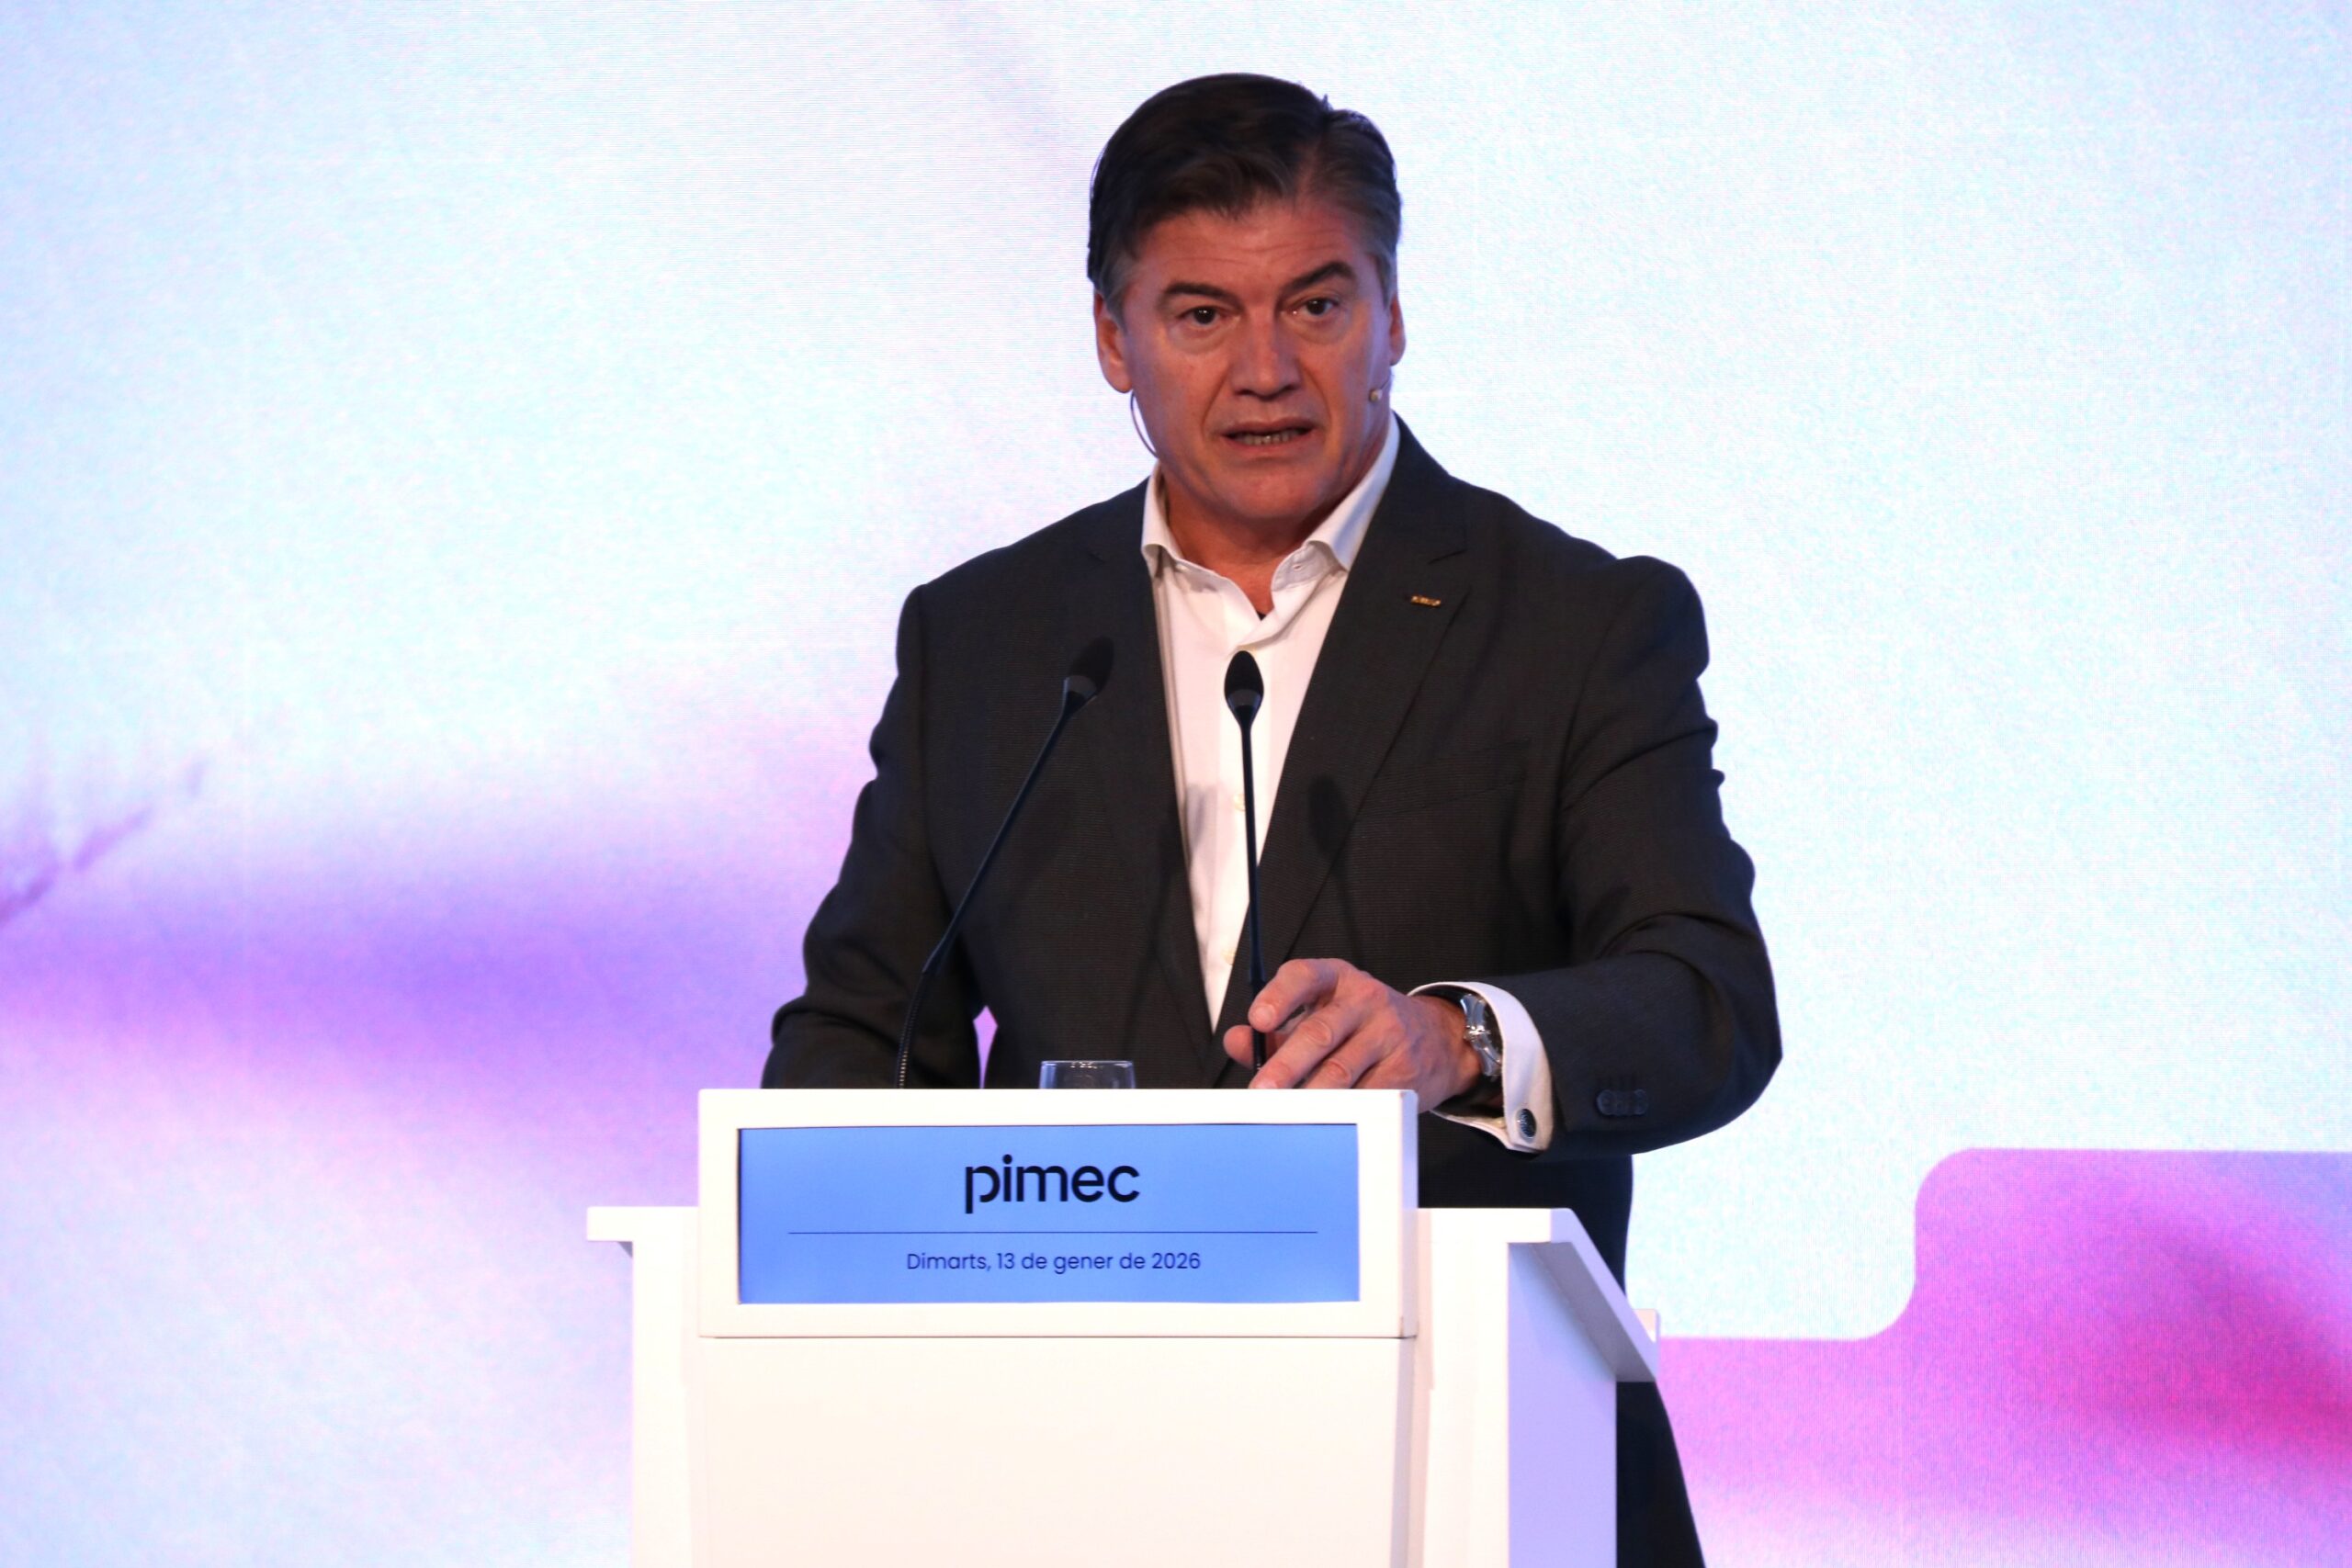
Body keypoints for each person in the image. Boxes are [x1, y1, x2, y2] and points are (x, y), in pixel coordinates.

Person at [764, 73, 1779, 1567]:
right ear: (1113, 339)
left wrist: (1457, 1039)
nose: (1266, 371)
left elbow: (1706, 1001)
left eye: (1316, 305)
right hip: (1067, 1485)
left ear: (1392, 313)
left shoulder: (1576, 623)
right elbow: (862, 1033)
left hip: (1480, 1480)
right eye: (1200, 315)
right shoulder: (987, 640)